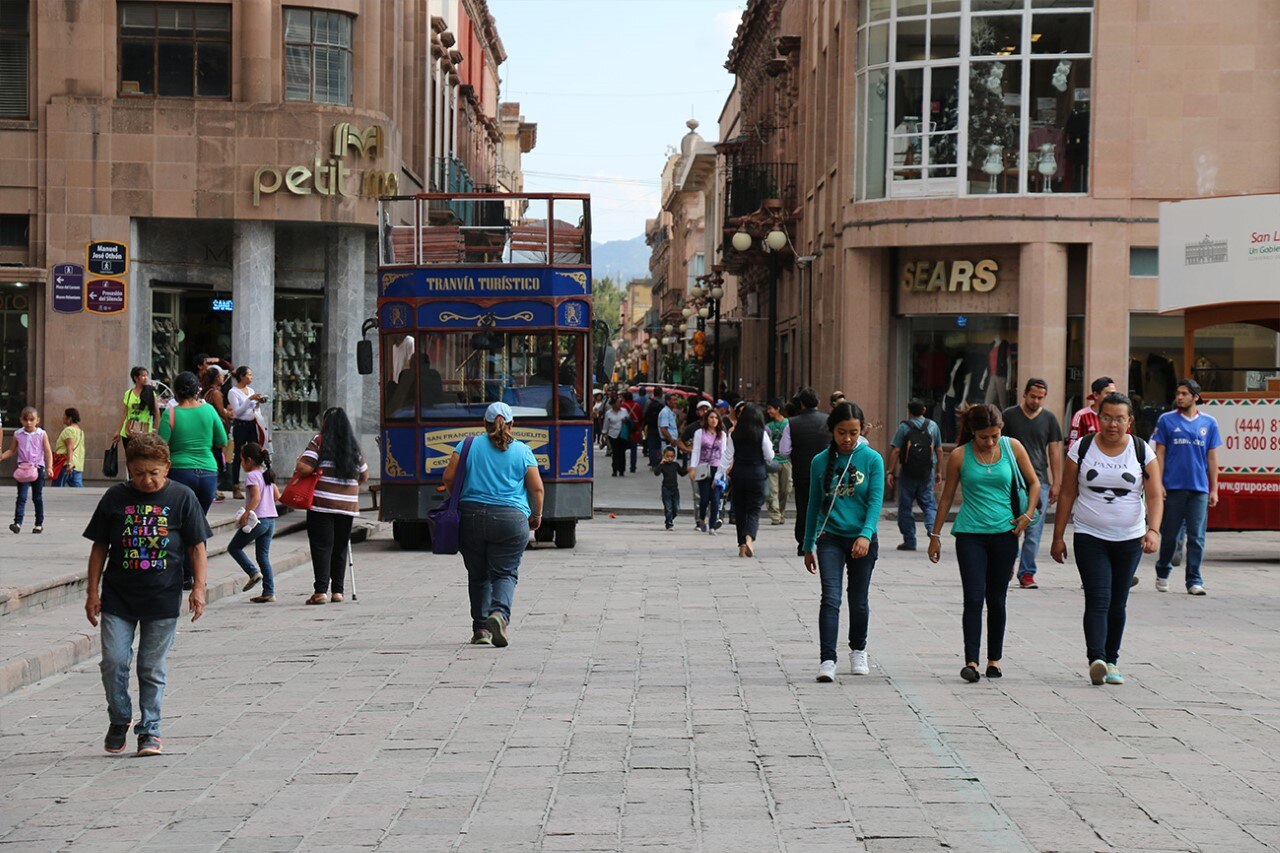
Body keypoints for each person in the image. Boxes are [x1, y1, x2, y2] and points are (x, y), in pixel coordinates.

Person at [83, 433, 210, 757]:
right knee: (113, 662)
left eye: (154, 472)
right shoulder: (115, 498)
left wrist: (198, 588)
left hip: (163, 598)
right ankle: (120, 717)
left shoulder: (182, 497)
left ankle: (150, 730)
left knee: (151, 668)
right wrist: (91, 592)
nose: (147, 480)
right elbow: (100, 547)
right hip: (118, 597)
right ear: (130, 469)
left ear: (166, 467)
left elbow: (197, 546)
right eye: (139, 473)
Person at [1051, 392, 1163, 686]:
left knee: (1118, 602)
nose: (1112, 424)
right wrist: (1058, 536)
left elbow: (1154, 494)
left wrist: (1154, 530)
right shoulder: (1082, 448)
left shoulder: (1142, 451)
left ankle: (1112, 661)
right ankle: (1096, 659)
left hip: (1129, 538)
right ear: (1097, 418)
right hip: (1090, 535)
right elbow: (1066, 492)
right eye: (1107, 417)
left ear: (1130, 421)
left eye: (1119, 418)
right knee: (1098, 597)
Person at [927, 404, 1040, 683]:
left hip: (1006, 533)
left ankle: (994, 660)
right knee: (974, 598)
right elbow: (946, 497)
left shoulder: (1013, 447)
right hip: (970, 535)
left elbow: (1034, 483)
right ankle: (971, 662)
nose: (990, 441)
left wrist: (1027, 515)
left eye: (995, 435)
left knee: (997, 598)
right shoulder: (958, 455)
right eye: (984, 437)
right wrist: (935, 535)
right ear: (972, 433)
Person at [444, 402, 544, 647]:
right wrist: (536, 515)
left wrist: (457, 499)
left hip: (471, 516)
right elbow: (537, 488)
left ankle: (480, 630)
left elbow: (448, 478)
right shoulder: (523, 451)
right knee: (505, 573)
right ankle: (499, 614)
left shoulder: (467, 445)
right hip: (511, 519)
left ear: (484, 423)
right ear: (512, 424)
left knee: (478, 575)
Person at [803, 402, 884, 682]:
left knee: (858, 600)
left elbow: (875, 502)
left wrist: (866, 533)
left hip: (863, 539)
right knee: (831, 597)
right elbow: (813, 504)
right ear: (832, 431)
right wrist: (807, 544)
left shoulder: (873, 459)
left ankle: (858, 649)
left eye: (853, 432)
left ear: (862, 430)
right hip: (831, 539)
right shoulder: (819, 462)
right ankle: (827, 659)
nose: (847, 439)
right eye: (841, 432)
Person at [1152, 378, 1221, 595]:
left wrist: (1214, 488)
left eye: (1184, 393)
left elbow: (1212, 458)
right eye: (1178, 393)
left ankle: (1194, 579)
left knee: (1197, 536)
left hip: (1199, 488)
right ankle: (1163, 570)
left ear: (1195, 397)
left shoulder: (1209, 423)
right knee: (1171, 535)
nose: (1179, 397)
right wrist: (1159, 482)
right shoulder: (1167, 420)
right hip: (1173, 487)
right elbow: (1160, 453)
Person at [159, 372, 226, 588]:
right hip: (207, 474)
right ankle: (198, 577)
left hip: (180, 472)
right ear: (198, 390)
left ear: (176, 392)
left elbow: (160, 446)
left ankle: (183, 574)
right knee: (198, 523)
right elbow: (221, 439)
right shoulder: (209, 410)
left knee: (177, 524)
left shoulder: (170, 414)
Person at [295, 407, 368, 605]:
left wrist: (308, 468)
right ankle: (338, 591)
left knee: (321, 546)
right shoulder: (353, 446)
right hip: (346, 505)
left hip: (322, 503)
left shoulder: (320, 440)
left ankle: (320, 591)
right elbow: (364, 475)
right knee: (340, 546)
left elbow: (304, 467)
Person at [1000, 379, 1064, 588]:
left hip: (1039, 482)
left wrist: (1056, 482)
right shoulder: (1009, 416)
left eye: (1040, 397)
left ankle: (1027, 573)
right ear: (1024, 394)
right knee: (1009, 527)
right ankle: (1006, 564)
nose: (1036, 401)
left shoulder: (1049, 419)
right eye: (1033, 396)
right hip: (1011, 481)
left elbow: (1054, 451)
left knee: (1034, 530)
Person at [886, 399, 943, 553]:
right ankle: (932, 530)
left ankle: (910, 540)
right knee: (928, 503)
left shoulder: (904, 427)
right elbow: (939, 450)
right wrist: (938, 471)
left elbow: (896, 450)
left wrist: (890, 471)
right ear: (924, 410)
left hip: (908, 472)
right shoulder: (933, 426)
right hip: (927, 471)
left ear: (909, 411)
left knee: (905, 506)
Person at [228, 442, 280, 603]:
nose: (241, 463)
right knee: (263, 556)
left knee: (234, 547)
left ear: (249, 460)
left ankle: (253, 573)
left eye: (242, 460)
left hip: (258, 520)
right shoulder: (266, 473)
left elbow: (256, 497)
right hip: (270, 520)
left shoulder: (252, 476)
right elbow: (277, 496)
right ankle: (269, 592)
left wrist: (246, 515)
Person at [780, 388, 828, 556]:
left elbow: (784, 451)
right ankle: (823, 539)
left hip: (802, 472)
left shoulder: (791, 423)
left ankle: (803, 542)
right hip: (826, 473)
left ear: (801, 403)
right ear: (818, 402)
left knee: (804, 507)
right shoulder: (828, 421)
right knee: (825, 506)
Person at [724, 403, 775, 557]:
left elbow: (727, 456)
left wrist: (721, 473)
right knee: (753, 510)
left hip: (738, 475)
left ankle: (741, 545)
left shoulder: (735, 434)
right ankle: (749, 538)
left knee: (740, 510)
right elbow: (769, 456)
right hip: (757, 475)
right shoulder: (761, 433)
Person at [3, 406, 53, 534]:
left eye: (32, 420)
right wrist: (3, 456)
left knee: (37, 497)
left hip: (38, 468)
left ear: (38, 420)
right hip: (23, 468)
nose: (28, 423)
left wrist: (49, 467)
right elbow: (12, 450)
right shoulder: (18, 434)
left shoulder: (41, 434)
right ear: (21, 420)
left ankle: (38, 523)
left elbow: (47, 451)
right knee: (21, 496)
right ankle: (17, 522)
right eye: (26, 420)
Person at [226, 366, 266, 499]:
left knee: (256, 452)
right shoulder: (233, 392)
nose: (251, 377)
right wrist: (250, 400)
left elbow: (252, 408)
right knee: (238, 454)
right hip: (240, 424)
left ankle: (258, 481)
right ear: (242, 376)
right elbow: (237, 412)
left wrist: (257, 401)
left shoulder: (251, 390)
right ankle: (235, 485)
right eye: (249, 375)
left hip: (251, 423)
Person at [688, 406, 728, 534]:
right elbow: (696, 451)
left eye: (716, 418)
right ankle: (701, 520)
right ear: (707, 419)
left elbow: (724, 453)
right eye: (711, 417)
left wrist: (723, 471)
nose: (713, 420)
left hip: (717, 467)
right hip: (703, 467)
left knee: (715, 498)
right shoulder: (700, 433)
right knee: (704, 498)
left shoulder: (722, 435)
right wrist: (693, 467)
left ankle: (712, 526)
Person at [201, 365, 234, 499]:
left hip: (208, 430)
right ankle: (213, 489)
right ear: (216, 378)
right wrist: (231, 414)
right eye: (221, 375)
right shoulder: (215, 393)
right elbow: (222, 413)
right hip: (216, 430)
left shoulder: (205, 392)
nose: (223, 378)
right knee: (217, 459)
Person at [113, 366, 159, 451]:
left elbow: (157, 412)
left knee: (142, 459)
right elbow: (124, 413)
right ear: (136, 378)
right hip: (128, 432)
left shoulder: (150, 392)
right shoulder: (128, 393)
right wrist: (118, 431)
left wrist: (156, 430)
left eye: (146, 376)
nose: (146, 378)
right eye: (143, 376)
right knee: (130, 458)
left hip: (145, 432)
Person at [1067, 376, 1116, 450]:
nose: (1112, 397)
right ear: (1096, 395)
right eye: (1108, 394)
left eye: (1114, 394)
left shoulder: (1118, 415)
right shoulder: (1081, 416)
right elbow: (1072, 445)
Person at [764, 398, 791, 525]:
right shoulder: (768, 427)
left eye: (770, 408)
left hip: (786, 460)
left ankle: (781, 511)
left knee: (786, 489)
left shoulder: (789, 424)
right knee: (773, 489)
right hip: (772, 460)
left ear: (778, 409)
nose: (768, 411)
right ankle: (775, 515)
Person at [654, 445, 687, 530]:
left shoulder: (675, 465)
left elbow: (682, 473)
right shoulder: (663, 465)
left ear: (674, 456)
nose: (669, 458)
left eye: (672, 456)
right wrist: (661, 464)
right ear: (664, 456)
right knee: (668, 507)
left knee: (676, 508)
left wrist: (687, 469)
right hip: (666, 489)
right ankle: (669, 524)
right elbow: (656, 473)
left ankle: (669, 519)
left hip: (675, 489)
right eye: (667, 456)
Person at [54, 407, 86, 487]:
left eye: (64, 416)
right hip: (77, 465)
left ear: (69, 418)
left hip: (65, 464)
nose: (63, 418)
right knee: (78, 490)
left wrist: (69, 463)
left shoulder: (69, 430)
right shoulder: (80, 431)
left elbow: (70, 447)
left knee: (57, 488)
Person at [601, 397, 632, 477]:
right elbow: (606, 424)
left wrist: (626, 420)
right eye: (618, 403)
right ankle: (614, 469)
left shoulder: (624, 411)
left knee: (622, 452)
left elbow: (629, 420)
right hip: (612, 435)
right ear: (613, 405)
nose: (619, 404)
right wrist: (604, 433)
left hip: (622, 435)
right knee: (615, 453)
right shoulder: (609, 413)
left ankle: (621, 470)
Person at [643, 387, 666, 468]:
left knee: (652, 445)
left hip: (651, 426)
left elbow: (645, 413)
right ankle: (660, 459)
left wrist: (643, 425)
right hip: (662, 426)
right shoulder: (664, 402)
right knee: (661, 444)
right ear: (661, 393)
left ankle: (653, 462)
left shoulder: (649, 402)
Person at [622, 390, 644, 473]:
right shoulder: (637, 406)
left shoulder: (623, 406)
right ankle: (633, 466)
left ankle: (622, 466)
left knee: (622, 449)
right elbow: (641, 418)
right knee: (634, 449)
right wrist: (640, 428)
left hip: (625, 430)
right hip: (635, 430)